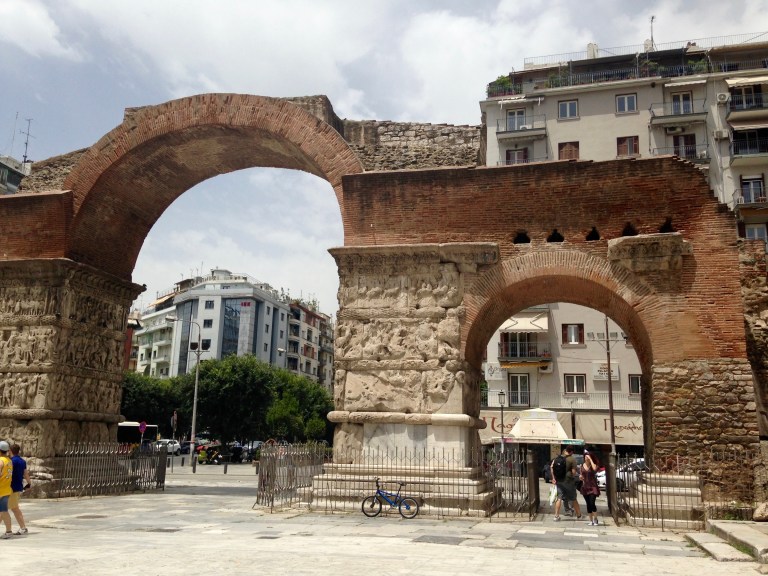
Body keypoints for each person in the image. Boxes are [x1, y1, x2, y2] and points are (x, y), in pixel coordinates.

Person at [550, 445, 582, 521]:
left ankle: (556, 516)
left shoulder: (558, 458)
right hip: (568, 481)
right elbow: (574, 472)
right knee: (573, 498)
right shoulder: (572, 459)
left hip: (559, 481)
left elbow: (551, 467)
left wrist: (553, 478)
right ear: (572, 452)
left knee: (559, 498)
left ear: (566, 450)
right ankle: (579, 515)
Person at [9, 444, 30, 535]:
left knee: (8, 509)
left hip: (11, 487)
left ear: (10, 451)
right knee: (14, 508)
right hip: (17, 487)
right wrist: (29, 483)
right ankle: (23, 527)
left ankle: (23, 528)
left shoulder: (11, 461)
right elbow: (25, 473)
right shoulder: (22, 461)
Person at [579, 449, 601, 526]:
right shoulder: (582, 465)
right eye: (585, 456)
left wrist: (591, 460)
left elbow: (595, 469)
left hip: (593, 487)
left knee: (592, 503)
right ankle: (591, 520)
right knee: (588, 504)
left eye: (587, 457)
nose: (586, 458)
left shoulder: (593, 465)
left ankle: (595, 519)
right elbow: (581, 475)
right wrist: (580, 477)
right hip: (585, 487)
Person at [0, 441, 13, 539]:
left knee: (3, 511)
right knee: (4, 511)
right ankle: (9, 531)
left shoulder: (1, 461)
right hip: (6, 489)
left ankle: (9, 531)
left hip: (0, 490)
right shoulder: (9, 461)